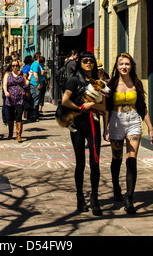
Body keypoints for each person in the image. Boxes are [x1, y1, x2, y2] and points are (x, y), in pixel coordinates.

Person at [103, 52, 153, 214]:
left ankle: (129, 199)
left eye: (127, 64)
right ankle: (117, 188)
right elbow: (106, 109)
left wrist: (151, 128)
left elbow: (143, 107)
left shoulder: (136, 83)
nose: (124, 67)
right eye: (121, 64)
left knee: (131, 160)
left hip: (133, 121)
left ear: (131, 65)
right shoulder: (110, 84)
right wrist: (105, 128)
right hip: (116, 122)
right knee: (116, 158)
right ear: (117, 66)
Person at [61, 51, 106, 216]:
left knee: (95, 163)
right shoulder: (73, 81)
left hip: (94, 125)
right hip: (78, 124)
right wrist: (81, 108)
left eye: (91, 61)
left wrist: (93, 104)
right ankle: (80, 198)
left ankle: (95, 199)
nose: (88, 63)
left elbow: (103, 107)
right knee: (80, 164)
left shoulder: (98, 83)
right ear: (80, 62)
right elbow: (65, 101)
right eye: (85, 61)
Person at [3, 59, 30, 142]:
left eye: (16, 66)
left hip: (19, 98)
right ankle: (11, 133)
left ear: (19, 66)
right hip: (10, 98)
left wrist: (30, 76)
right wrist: (6, 92)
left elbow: (26, 84)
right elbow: (4, 84)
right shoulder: (8, 74)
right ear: (11, 67)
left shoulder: (22, 74)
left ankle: (18, 135)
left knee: (19, 116)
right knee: (10, 116)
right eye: (13, 66)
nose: (15, 67)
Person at [29, 53, 44, 121]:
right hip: (35, 85)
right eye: (40, 56)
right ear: (38, 57)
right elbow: (35, 75)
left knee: (36, 99)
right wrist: (38, 83)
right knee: (35, 100)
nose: (42, 57)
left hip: (35, 84)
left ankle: (35, 114)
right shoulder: (35, 64)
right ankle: (33, 115)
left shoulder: (35, 64)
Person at [21, 55, 33, 120]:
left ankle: (26, 115)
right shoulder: (28, 67)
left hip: (23, 86)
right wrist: (27, 80)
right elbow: (24, 74)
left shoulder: (25, 66)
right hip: (25, 86)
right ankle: (27, 115)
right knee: (27, 100)